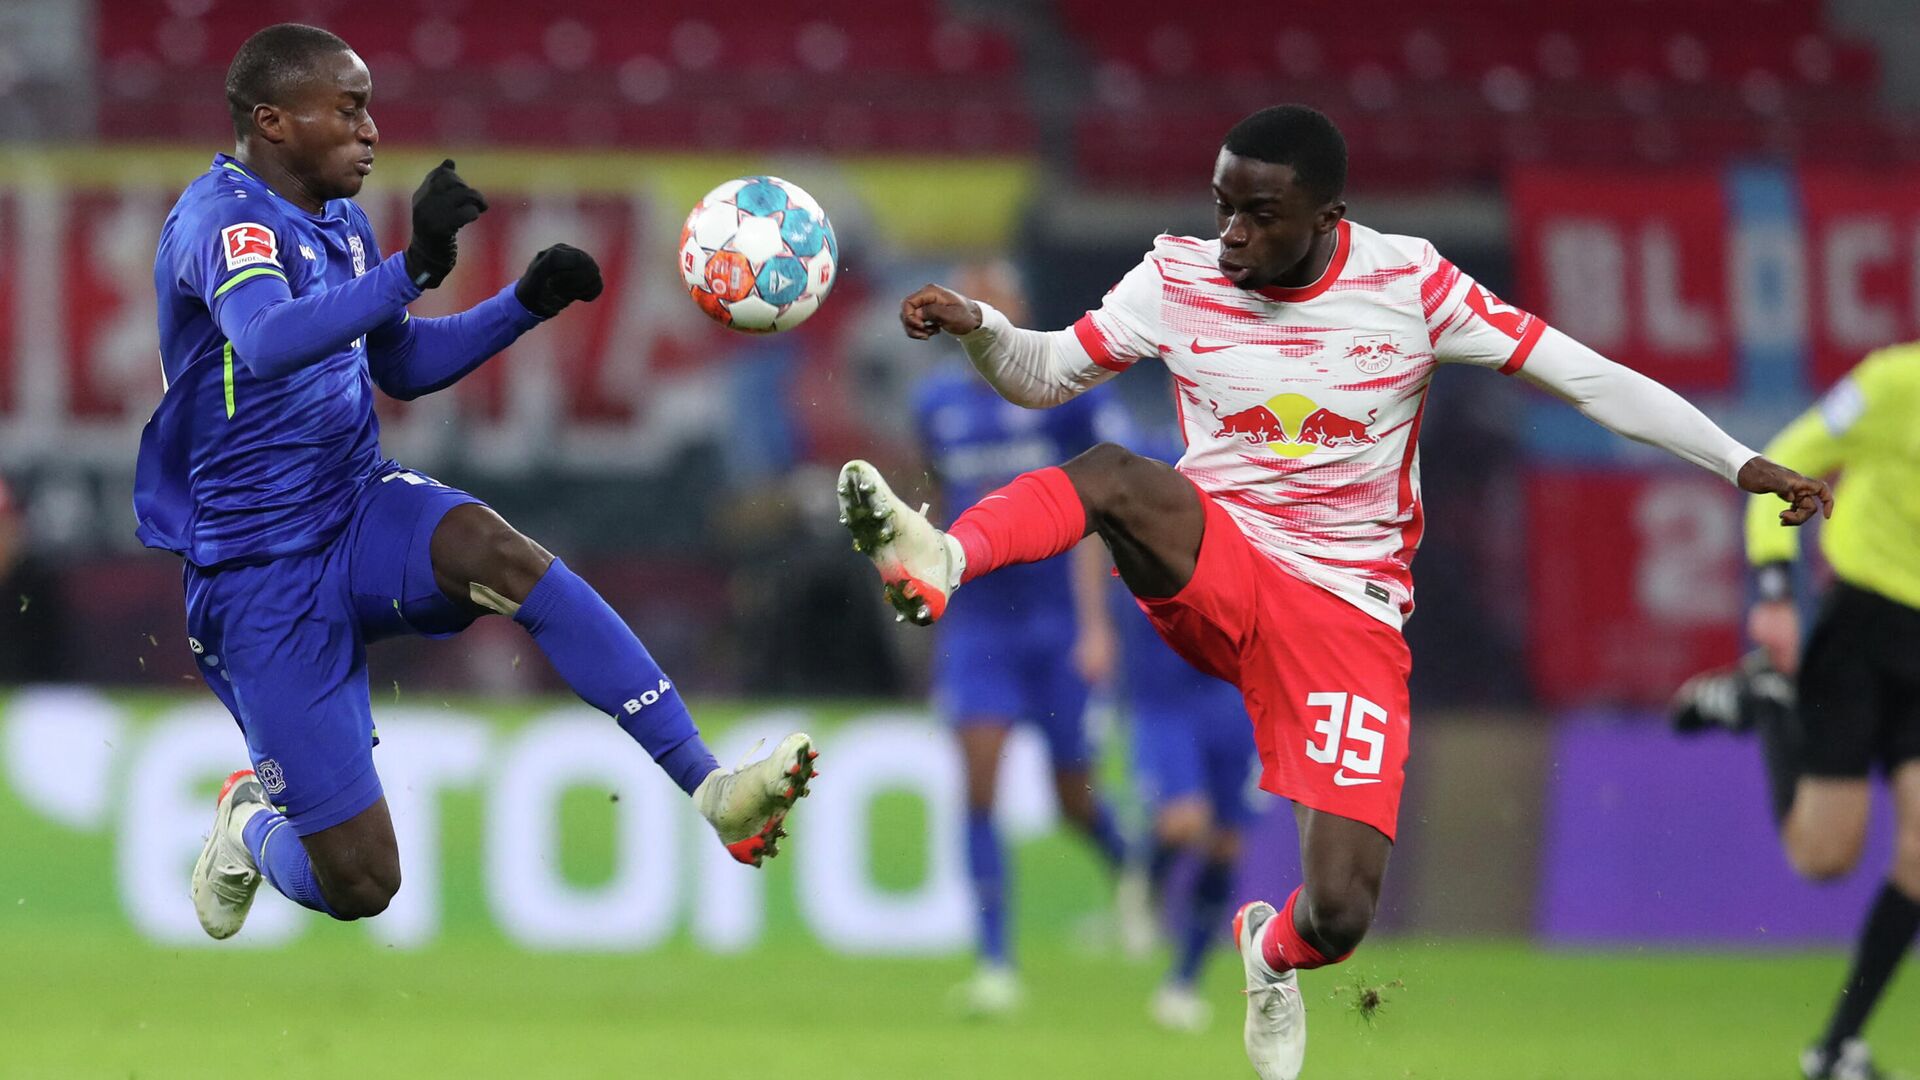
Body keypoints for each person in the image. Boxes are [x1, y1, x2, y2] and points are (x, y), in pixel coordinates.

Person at [836, 104, 1830, 1079]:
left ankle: (1270, 957)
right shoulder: (1177, 276)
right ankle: (945, 559)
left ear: (1327, 216)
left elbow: (1586, 377)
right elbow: (1048, 372)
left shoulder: (1411, 284)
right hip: (1219, 557)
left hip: (1349, 614)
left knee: (1344, 910)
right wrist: (981, 331)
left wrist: (1741, 462)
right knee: (1116, 474)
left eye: (1259, 215)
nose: (1232, 232)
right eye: (1224, 206)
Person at [143, 24, 816, 942]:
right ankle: (252, 830)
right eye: (347, 110)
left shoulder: (337, 215)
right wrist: (413, 267)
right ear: (273, 121)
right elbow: (265, 340)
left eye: (369, 107)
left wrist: (521, 305)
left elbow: (401, 362)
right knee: (363, 883)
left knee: (498, 553)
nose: (370, 129)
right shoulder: (223, 222)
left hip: (355, 505)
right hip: (256, 573)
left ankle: (710, 785)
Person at [908, 260, 1133, 1015]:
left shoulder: (1058, 397)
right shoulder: (935, 403)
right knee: (977, 784)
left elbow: (1096, 512)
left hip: (1057, 624)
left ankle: (1133, 874)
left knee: (1074, 797)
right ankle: (995, 962)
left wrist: (1097, 625)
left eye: (995, 302)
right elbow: (938, 499)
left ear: (1014, 315)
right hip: (980, 626)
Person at [1690, 344, 1918, 1080]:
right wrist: (1775, 589)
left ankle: (1832, 1049)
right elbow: (1788, 455)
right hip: (1864, 634)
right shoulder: (1893, 385)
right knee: (1825, 858)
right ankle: (1767, 699)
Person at [1106, 427, 1261, 1034]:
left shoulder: (1255, 477)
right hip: (1163, 693)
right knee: (1183, 821)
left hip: (1230, 692)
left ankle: (1182, 984)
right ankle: (1145, 877)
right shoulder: (1153, 461)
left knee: (1226, 843)